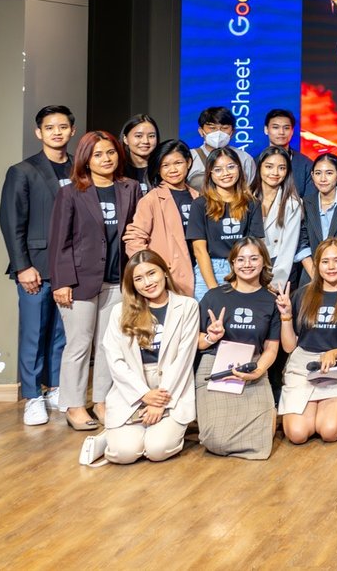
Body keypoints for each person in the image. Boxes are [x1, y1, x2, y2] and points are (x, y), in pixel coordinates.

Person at [49, 129, 141, 431]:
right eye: (98, 154)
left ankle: (102, 402)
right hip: (79, 282)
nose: (106, 159)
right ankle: (74, 405)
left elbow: (135, 231)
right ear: (86, 159)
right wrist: (62, 281)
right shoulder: (71, 192)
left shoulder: (130, 188)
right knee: (78, 345)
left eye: (111, 152)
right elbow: (59, 241)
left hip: (117, 280)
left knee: (108, 345)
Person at [78, 250, 198, 466]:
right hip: (132, 388)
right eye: (139, 279)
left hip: (171, 388)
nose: (147, 283)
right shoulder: (119, 312)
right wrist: (144, 394)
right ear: (132, 284)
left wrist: (159, 402)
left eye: (152, 273)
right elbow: (115, 361)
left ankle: (147, 435)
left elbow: (183, 360)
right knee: (124, 454)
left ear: (164, 272)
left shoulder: (188, 306)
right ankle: (112, 438)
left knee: (157, 450)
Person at [0, 103, 73, 426]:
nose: (57, 132)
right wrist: (22, 266)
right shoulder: (23, 171)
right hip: (36, 267)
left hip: (70, 265)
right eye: (50, 127)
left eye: (63, 127)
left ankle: (55, 387)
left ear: (72, 130)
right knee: (34, 333)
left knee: (61, 333)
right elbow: (11, 221)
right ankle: (32, 396)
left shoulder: (80, 169)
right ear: (38, 132)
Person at [192, 238, 280, 459]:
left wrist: (259, 371)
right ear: (232, 263)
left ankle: (267, 413)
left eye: (253, 258)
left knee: (261, 441)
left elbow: (271, 347)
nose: (247, 264)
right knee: (214, 439)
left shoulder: (271, 300)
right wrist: (211, 337)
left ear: (264, 262)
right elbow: (196, 342)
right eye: (240, 259)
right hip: (215, 365)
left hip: (253, 365)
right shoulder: (214, 296)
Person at [278, 237, 337, 444]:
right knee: (297, 434)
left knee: (329, 431)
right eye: (325, 261)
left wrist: (334, 353)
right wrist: (286, 317)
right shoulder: (302, 294)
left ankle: (333, 405)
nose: (331, 267)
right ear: (317, 264)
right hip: (303, 366)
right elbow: (289, 346)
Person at [187, 147, 264, 300]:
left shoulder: (252, 203)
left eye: (230, 167)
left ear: (239, 168)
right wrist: (213, 289)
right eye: (218, 169)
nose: (226, 173)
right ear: (210, 174)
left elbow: (255, 245)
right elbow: (199, 250)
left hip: (243, 267)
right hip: (209, 270)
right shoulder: (200, 204)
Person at [124, 140, 197, 297]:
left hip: (200, 273)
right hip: (170, 277)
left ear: (188, 162)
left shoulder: (198, 197)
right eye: (165, 165)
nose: (173, 170)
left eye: (178, 163)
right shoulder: (151, 200)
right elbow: (134, 240)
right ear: (158, 169)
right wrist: (152, 270)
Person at [296, 153, 337, 282]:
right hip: (311, 271)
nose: (323, 178)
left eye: (329, 173)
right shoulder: (305, 204)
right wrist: (315, 273)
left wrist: (331, 267)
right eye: (318, 173)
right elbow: (302, 242)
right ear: (312, 175)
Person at [253, 146, 304, 291]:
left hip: (277, 266)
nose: (275, 173)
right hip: (248, 265)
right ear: (260, 167)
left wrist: (276, 282)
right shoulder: (247, 197)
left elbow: (289, 247)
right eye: (269, 167)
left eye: (281, 168)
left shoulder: (292, 203)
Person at [188, 107, 255, 192]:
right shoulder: (190, 157)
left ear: (233, 132)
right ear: (201, 131)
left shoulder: (244, 159)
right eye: (212, 128)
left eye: (224, 128)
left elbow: (250, 191)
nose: (218, 133)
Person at [262, 108, 312, 196]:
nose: (281, 132)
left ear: (292, 131)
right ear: (266, 129)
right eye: (275, 127)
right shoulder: (255, 162)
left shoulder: (306, 164)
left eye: (286, 128)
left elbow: (310, 200)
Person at [119, 114, 159, 193]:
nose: (145, 141)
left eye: (151, 136)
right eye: (138, 136)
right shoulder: (117, 170)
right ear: (125, 139)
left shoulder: (162, 169)